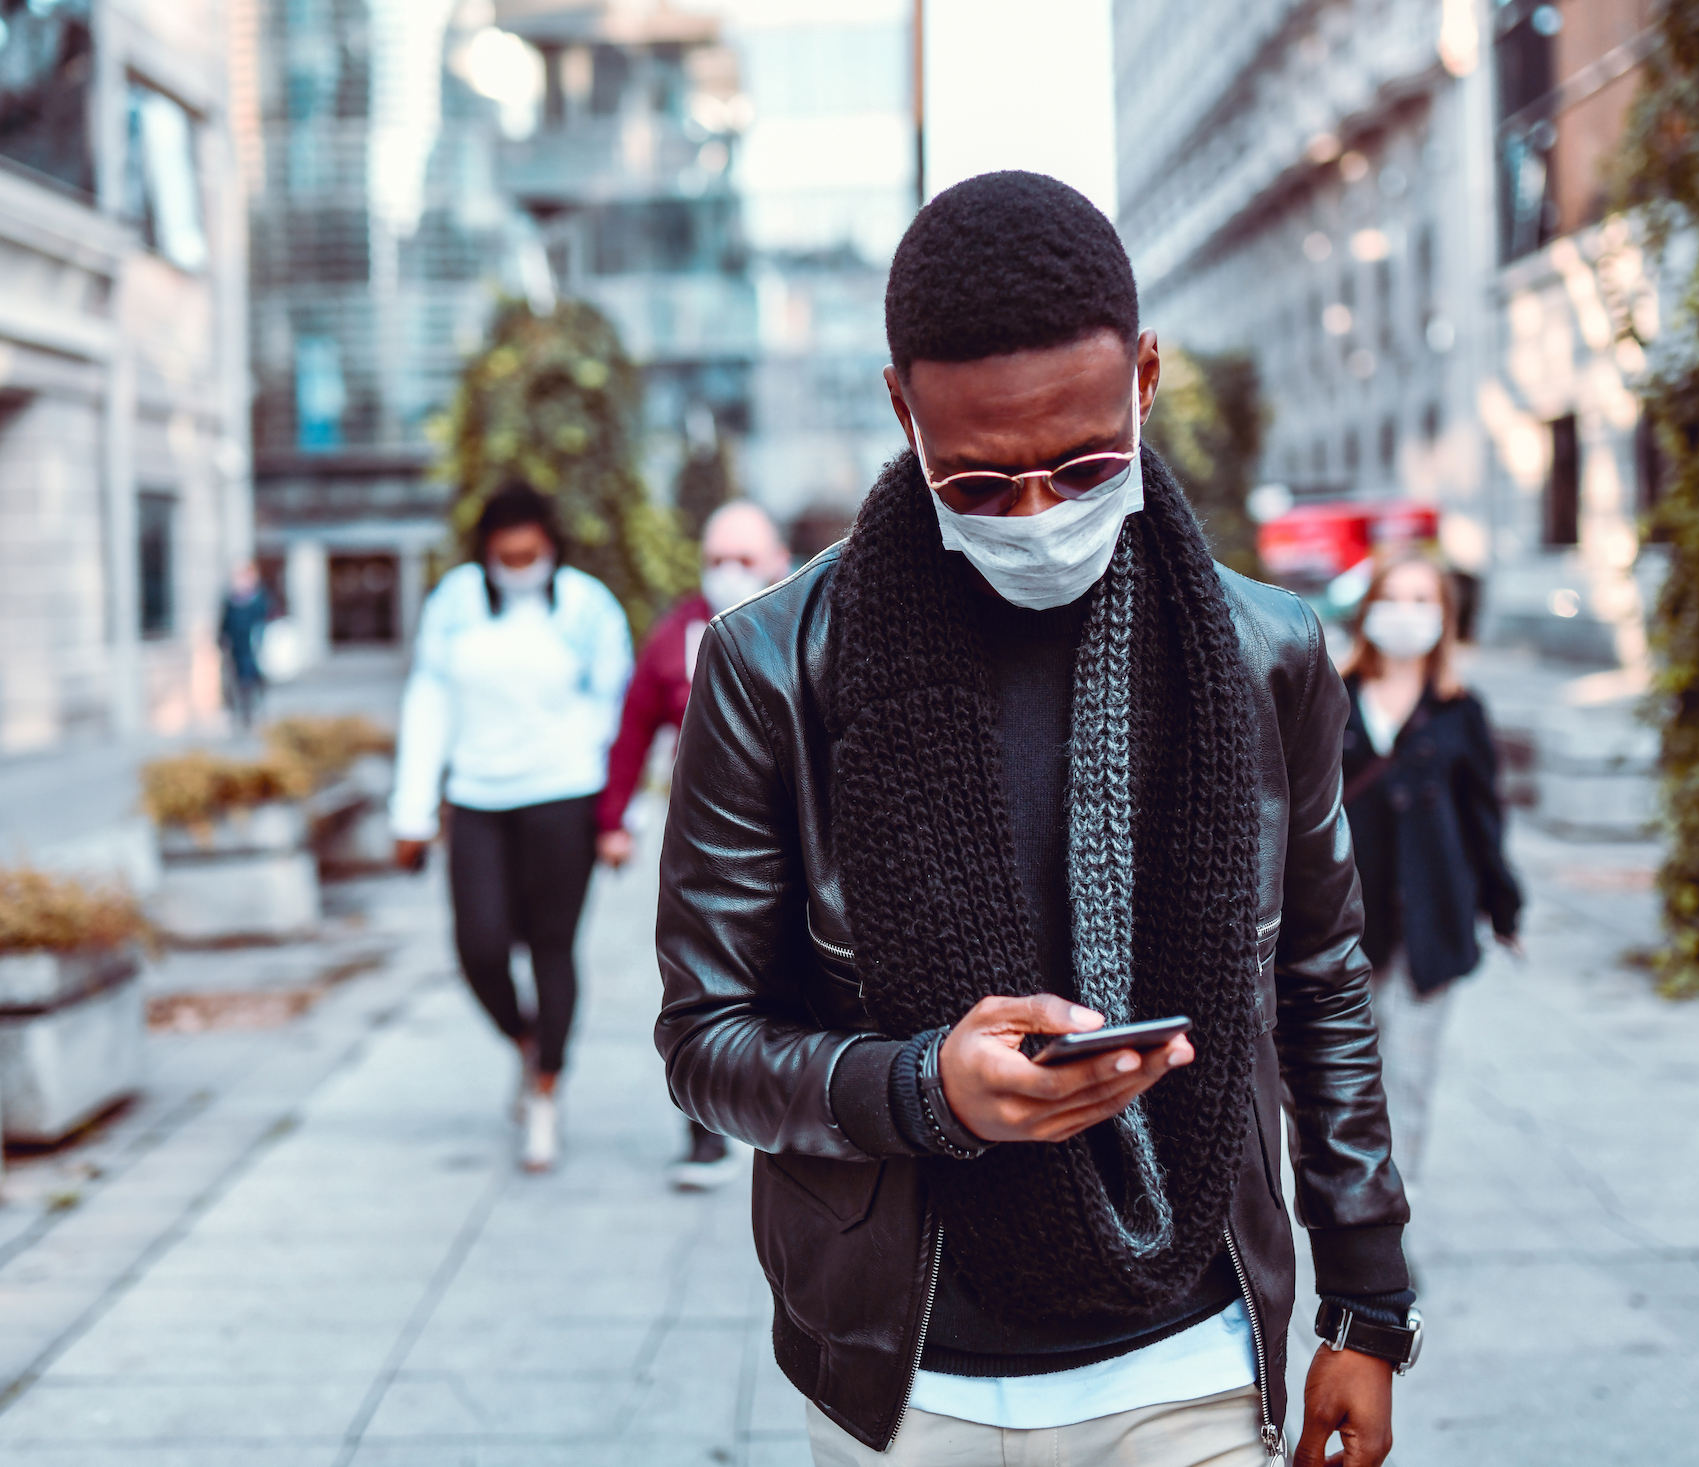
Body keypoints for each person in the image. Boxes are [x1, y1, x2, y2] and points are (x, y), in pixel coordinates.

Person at [656, 172, 1416, 1467]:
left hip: (1194, 1352)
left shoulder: (1265, 653)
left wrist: (1368, 1301)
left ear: (1148, 376)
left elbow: (1320, 980)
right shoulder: (769, 667)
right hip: (907, 1385)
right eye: (979, 482)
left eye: (1084, 465)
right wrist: (920, 1085)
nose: (1038, 512)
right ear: (902, 408)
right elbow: (705, 1039)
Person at [390, 483, 633, 1173]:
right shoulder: (456, 604)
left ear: (551, 549)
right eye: (506, 555)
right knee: (480, 944)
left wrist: (619, 818)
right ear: (487, 553)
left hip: (563, 795)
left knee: (553, 948)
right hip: (476, 798)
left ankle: (547, 1095)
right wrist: (411, 810)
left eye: (531, 554)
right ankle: (525, 1042)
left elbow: (617, 716)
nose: (519, 566)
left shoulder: (587, 606)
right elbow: (428, 697)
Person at [598, 500, 791, 1189]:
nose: (729, 573)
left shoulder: (816, 615)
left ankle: (789, 1100)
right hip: (708, 831)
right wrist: (613, 819)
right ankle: (705, 1130)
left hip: (804, 830)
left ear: (775, 557)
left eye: (743, 558)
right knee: (705, 968)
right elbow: (632, 729)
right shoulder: (676, 634)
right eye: (717, 560)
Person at [1340, 551, 1523, 1183]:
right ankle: (1347, 1211)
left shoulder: (1460, 710)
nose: (1407, 614)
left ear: (1444, 618)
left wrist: (1504, 909)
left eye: (1423, 601)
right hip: (1343, 931)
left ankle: (1391, 1225)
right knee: (1340, 1084)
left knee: (1408, 1081)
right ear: (1368, 611)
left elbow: (1484, 821)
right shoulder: (1330, 700)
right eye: (1394, 597)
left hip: (1432, 926)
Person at [218, 561, 273, 729]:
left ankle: (254, 712)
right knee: (238, 682)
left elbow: (265, 620)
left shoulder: (259, 598)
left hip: (254, 648)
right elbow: (224, 623)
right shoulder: (231, 600)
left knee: (252, 680)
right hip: (236, 648)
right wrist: (221, 640)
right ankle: (243, 714)